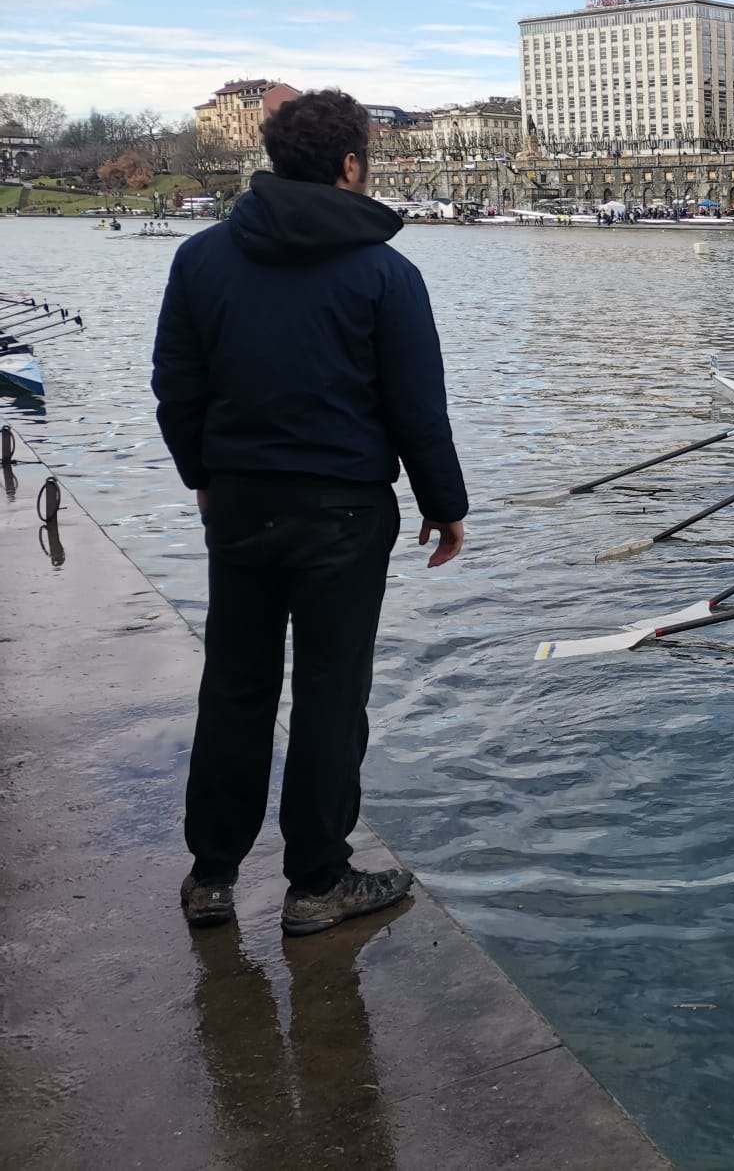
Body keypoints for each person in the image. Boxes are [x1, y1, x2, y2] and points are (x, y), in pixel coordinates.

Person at [152, 88, 467, 938]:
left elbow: (176, 388)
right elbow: (416, 408)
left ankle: (212, 875)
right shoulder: (386, 273)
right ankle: (318, 881)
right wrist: (446, 506)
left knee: (236, 684)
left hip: (240, 500)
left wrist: (202, 476)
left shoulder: (202, 259)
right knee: (332, 691)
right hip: (344, 510)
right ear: (351, 165)